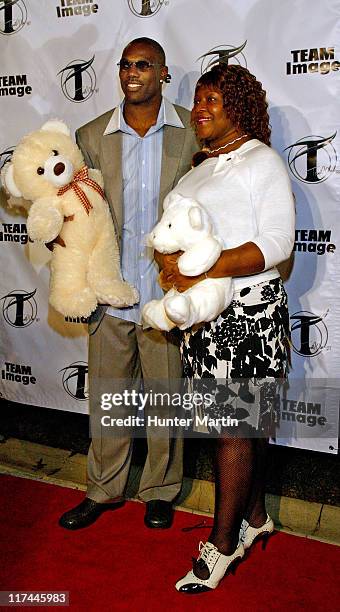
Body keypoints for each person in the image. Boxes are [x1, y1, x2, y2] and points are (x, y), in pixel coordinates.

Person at [158, 63, 295, 592]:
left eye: (213, 99)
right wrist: (173, 268)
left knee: (235, 428)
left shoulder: (261, 161)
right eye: (197, 100)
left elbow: (278, 244)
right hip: (206, 320)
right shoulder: (196, 171)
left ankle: (219, 546)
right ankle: (256, 519)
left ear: (238, 105)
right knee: (245, 424)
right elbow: (177, 241)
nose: (200, 109)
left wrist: (204, 267)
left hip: (249, 316)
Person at [59, 38, 197, 531]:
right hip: (109, 296)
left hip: (167, 298)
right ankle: (103, 489)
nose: (132, 72)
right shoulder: (92, 134)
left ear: (163, 72)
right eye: (125, 65)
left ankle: (159, 491)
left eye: (144, 65)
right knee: (109, 400)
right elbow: (72, 214)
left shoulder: (191, 134)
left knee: (165, 398)